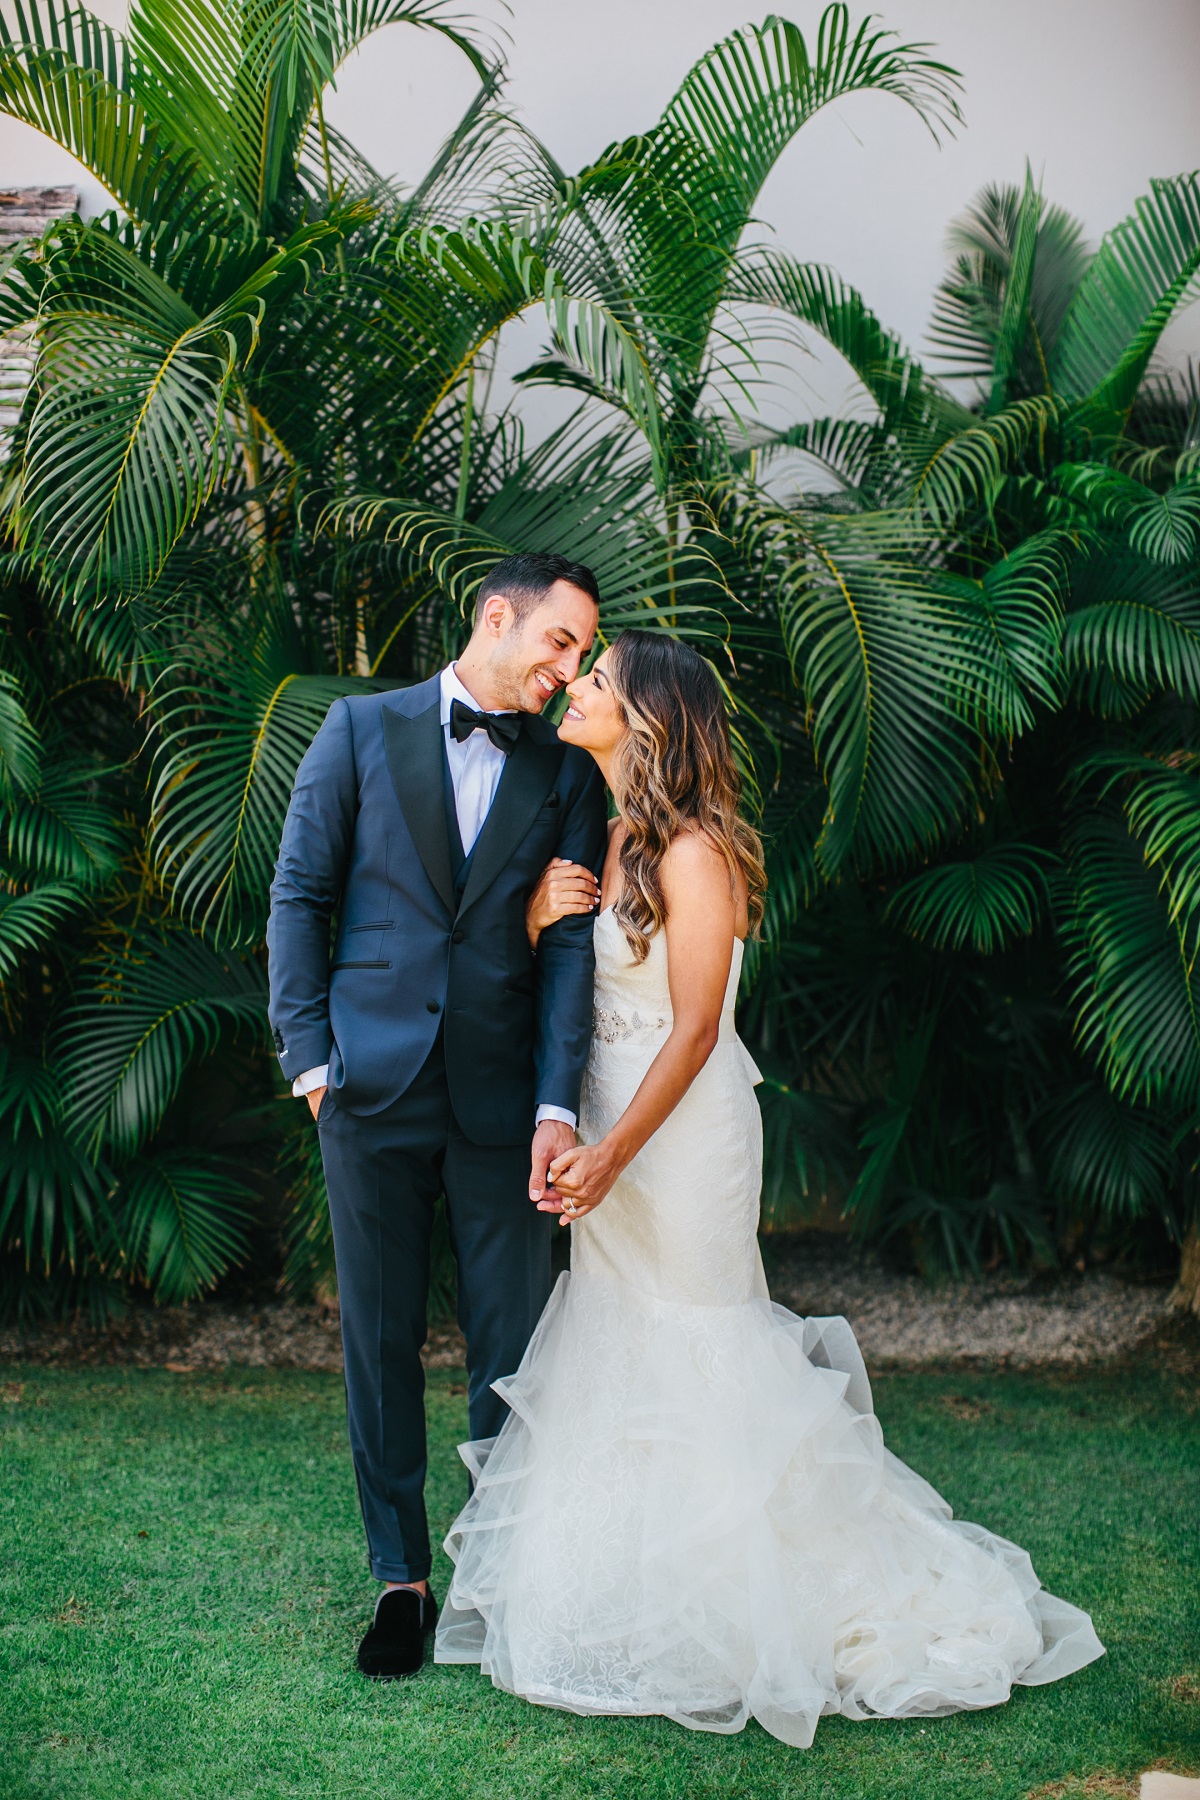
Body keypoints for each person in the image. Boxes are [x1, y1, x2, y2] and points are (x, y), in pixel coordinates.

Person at [434, 629, 1105, 1748]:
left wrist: (614, 1152)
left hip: (678, 1136)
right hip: (605, 1122)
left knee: (701, 1337)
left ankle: (764, 1600)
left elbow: (697, 1028)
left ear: (650, 716)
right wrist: (535, 920)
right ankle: (633, 1599)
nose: (576, 686)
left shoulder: (697, 851)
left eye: (598, 679)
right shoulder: (607, 829)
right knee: (615, 1336)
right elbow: (571, 980)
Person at [266, 552, 607, 1680]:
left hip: (505, 1100)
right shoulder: (359, 730)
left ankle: (502, 1581)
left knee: (514, 1347)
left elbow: (568, 948)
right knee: (379, 1339)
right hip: (368, 1090)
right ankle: (402, 1581)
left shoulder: (567, 770)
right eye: (559, 642)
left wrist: (557, 1105)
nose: (570, 670)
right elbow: (301, 894)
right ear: (497, 616)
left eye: (581, 654)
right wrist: (311, 1062)